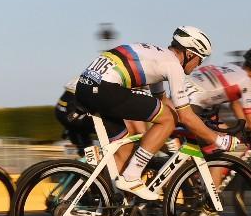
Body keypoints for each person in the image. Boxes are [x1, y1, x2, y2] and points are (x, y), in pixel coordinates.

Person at [71, 26, 212, 200]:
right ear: (190, 54)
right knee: (167, 119)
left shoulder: (159, 57)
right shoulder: (172, 65)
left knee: (125, 150)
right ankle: (132, 176)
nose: (199, 65)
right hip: (104, 89)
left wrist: (192, 120)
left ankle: (109, 205)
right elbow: (182, 114)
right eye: (200, 59)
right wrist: (218, 139)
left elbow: (162, 100)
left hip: (87, 87)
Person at [178, 47, 251, 216]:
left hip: (189, 100)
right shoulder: (247, 82)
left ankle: (200, 185)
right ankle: (208, 211)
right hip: (194, 106)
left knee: (232, 143)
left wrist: (243, 124)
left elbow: (235, 102)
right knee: (225, 150)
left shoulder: (233, 68)